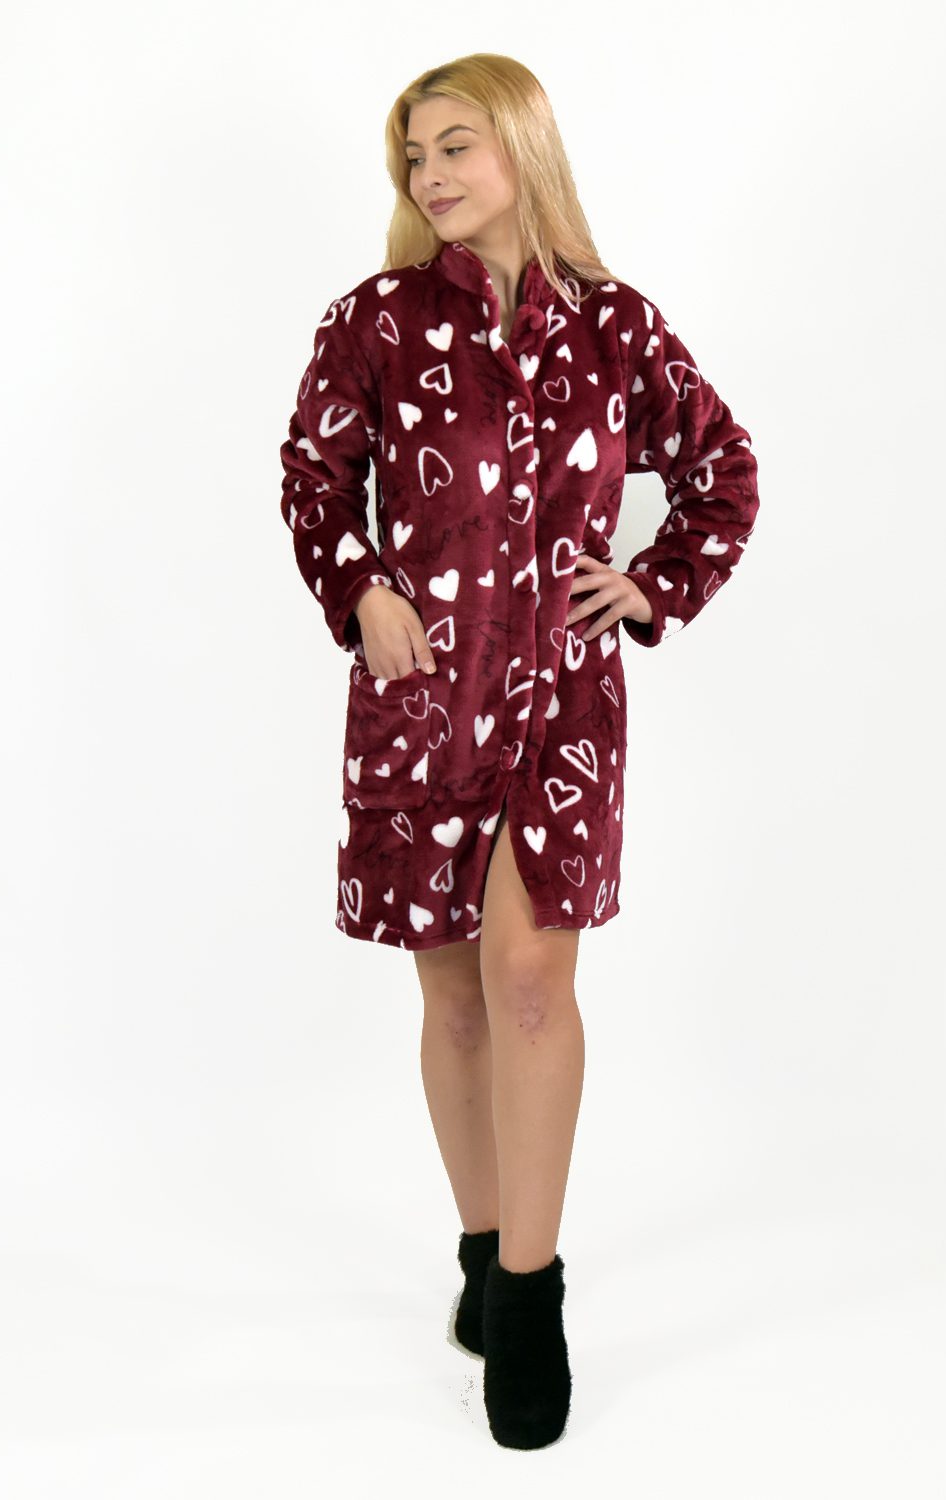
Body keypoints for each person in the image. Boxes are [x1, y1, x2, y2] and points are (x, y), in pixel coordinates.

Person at [277, 53, 761, 1449]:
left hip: (562, 704)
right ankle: (483, 1249)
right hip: (423, 700)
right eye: (412, 155)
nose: (428, 174)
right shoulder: (373, 322)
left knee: (534, 981)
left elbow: (722, 469)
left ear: (523, 149)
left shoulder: (616, 328)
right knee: (457, 1000)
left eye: (455, 145)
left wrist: (652, 584)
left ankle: (533, 1299)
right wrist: (361, 588)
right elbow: (313, 476)